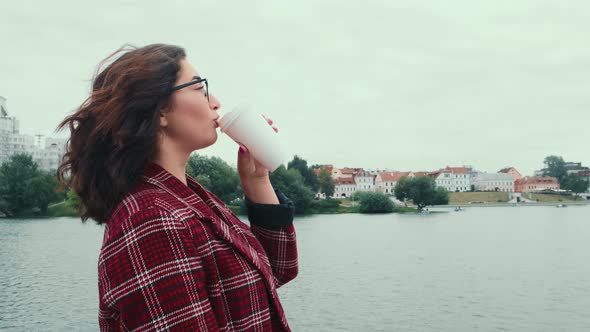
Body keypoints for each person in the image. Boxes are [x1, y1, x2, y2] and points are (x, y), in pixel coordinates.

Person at [56, 44, 298, 331]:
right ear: (159, 111)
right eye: (200, 88)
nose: (216, 102)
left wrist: (257, 181)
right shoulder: (151, 221)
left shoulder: (188, 199)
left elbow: (277, 270)